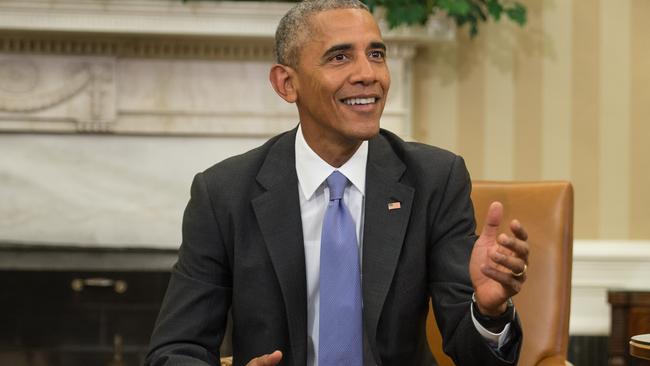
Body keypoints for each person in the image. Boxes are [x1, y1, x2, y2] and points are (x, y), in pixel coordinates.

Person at [145, 1, 529, 365]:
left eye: (376, 54)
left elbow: (472, 353)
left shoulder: (434, 180)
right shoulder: (224, 193)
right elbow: (176, 347)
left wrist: (488, 311)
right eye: (340, 57)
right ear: (286, 84)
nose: (368, 73)